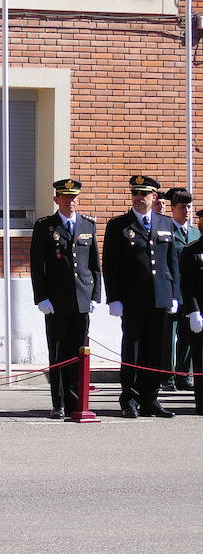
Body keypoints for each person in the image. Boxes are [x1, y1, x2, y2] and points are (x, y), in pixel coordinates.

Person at [103, 175, 179, 418]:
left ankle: (151, 398)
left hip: (160, 297)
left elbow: (172, 263)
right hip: (132, 299)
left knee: (155, 349)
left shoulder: (165, 223)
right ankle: (130, 399)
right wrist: (113, 297)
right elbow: (110, 266)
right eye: (135, 194)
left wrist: (174, 295)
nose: (138, 198)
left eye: (144, 194)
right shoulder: (118, 226)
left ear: (153, 197)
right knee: (132, 348)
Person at [29, 179, 101, 419]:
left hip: (82, 299)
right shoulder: (45, 226)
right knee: (58, 353)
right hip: (56, 302)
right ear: (56, 199)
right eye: (65, 197)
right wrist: (41, 297)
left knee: (79, 352)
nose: (70, 201)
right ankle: (58, 402)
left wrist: (95, 295)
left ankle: (76, 402)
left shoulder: (87, 225)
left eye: (73, 197)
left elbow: (94, 265)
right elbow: (38, 266)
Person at [161, 188, 198, 391]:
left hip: (190, 293)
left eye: (189, 207)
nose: (186, 211)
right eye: (182, 207)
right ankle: (168, 376)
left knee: (187, 336)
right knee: (169, 335)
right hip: (171, 291)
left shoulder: (194, 233)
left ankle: (184, 375)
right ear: (173, 209)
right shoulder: (166, 230)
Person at [180, 206, 203, 414]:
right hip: (200, 314)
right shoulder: (191, 250)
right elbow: (187, 285)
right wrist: (193, 311)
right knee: (201, 359)